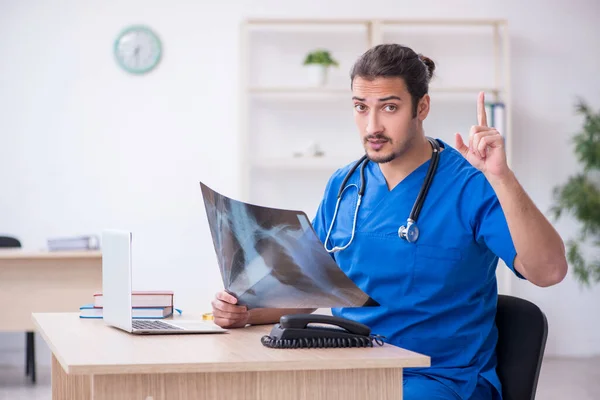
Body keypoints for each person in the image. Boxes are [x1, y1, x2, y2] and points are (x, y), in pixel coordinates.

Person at [211, 43, 568, 399]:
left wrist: (501, 177)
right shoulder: (344, 185)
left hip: (439, 380)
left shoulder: (472, 183)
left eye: (390, 108)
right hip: (351, 370)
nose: (373, 126)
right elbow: (311, 289)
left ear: (422, 107)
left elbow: (549, 271)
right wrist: (246, 314)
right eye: (361, 108)